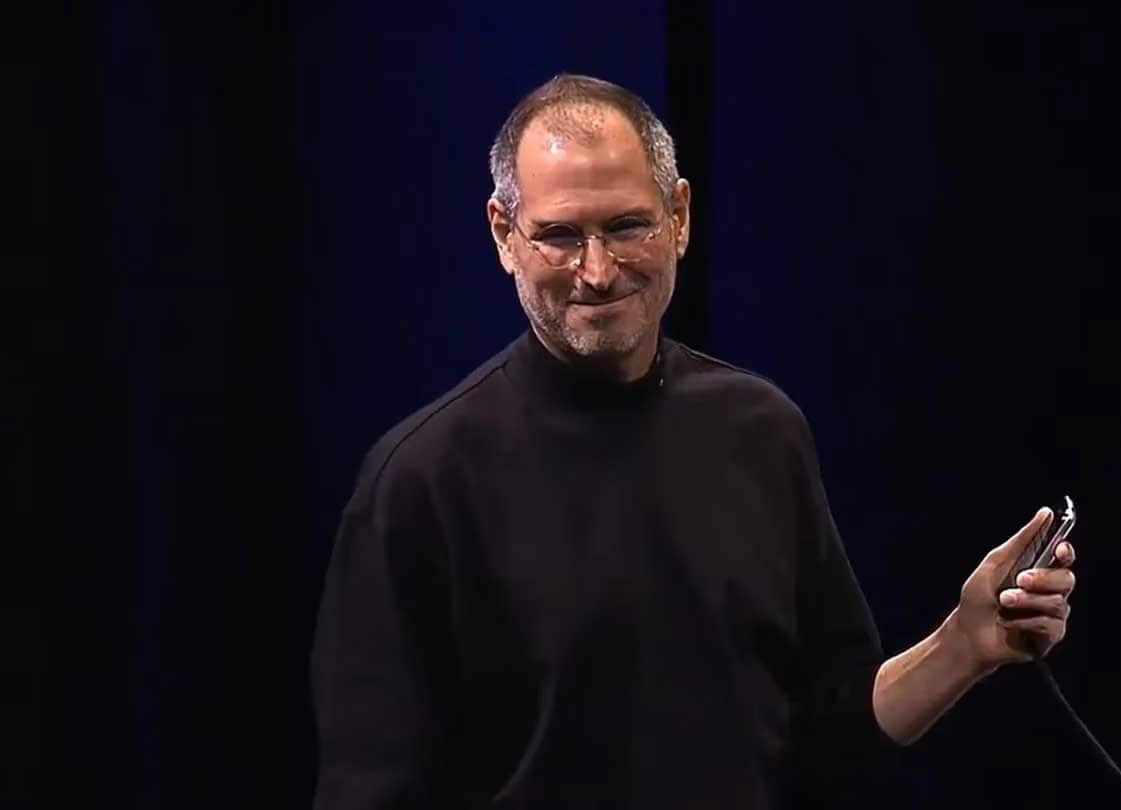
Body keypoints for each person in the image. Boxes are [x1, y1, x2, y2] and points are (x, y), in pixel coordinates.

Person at [309, 73, 1077, 809]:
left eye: (626, 226)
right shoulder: (418, 483)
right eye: (559, 237)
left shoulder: (760, 431)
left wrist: (966, 644)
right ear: (503, 234)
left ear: (679, 217)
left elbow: (834, 740)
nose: (598, 272)